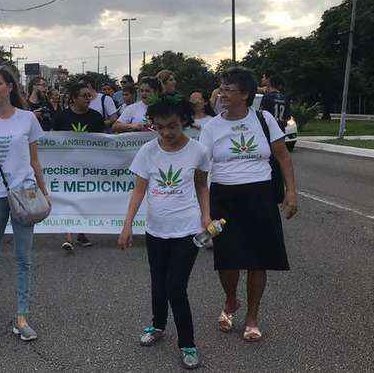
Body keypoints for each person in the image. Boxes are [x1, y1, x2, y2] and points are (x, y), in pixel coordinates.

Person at [198, 66, 298, 342]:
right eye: (221, 88)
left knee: (258, 259)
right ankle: (231, 300)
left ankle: (252, 316)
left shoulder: (264, 119)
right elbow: (202, 174)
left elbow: (284, 158)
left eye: (229, 89)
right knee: (227, 260)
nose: (222, 94)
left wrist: (291, 192)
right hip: (224, 199)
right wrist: (204, 213)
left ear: (245, 94)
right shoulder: (211, 127)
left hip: (260, 197)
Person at [118, 93, 209, 369]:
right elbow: (139, 189)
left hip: (187, 231)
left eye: (172, 125)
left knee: (176, 287)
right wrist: (127, 224)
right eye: (160, 127)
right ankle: (157, 326)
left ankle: (187, 343)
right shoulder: (148, 151)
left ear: (184, 120)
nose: (166, 132)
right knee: (158, 282)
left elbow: (202, 186)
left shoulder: (198, 151)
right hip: (156, 231)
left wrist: (206, 217)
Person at [0, 66, 49, 342]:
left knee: (23, 259)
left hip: (25, 193)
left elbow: (35, 160)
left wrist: (44, 191)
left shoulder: (27, 119)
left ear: (10, 87)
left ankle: (21, 316)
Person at [52, 82, 103, 250]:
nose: (89, 99)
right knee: (68, 198)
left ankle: (81, 233)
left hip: (89, 166)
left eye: (90, 96)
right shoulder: (61, 117)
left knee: (83, 198)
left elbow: (103, 142)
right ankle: (68, 237)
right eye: (84, 96)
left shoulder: (96, 117)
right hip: (66, 166)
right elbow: (53, 140)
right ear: (74, 98)